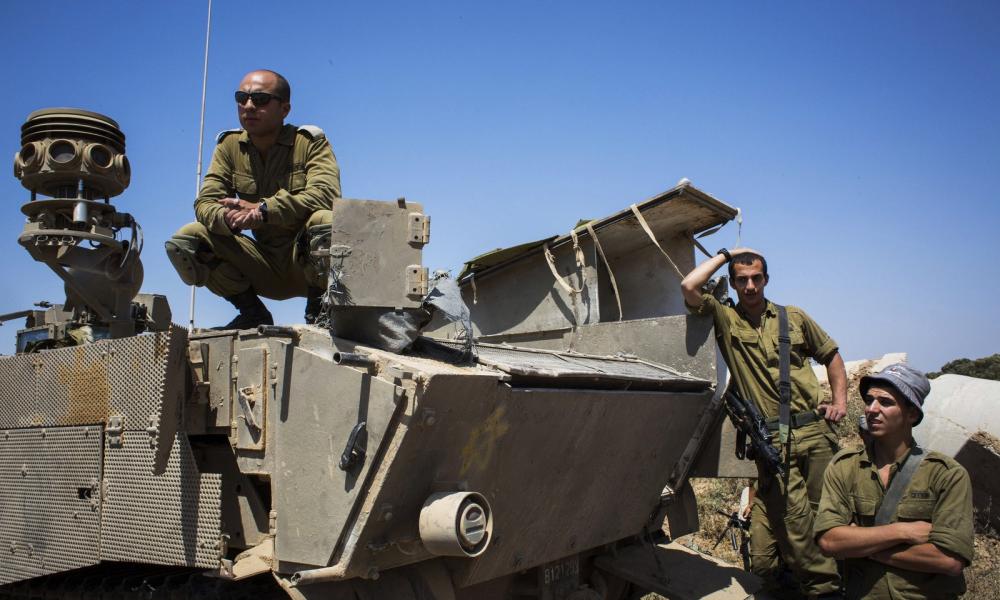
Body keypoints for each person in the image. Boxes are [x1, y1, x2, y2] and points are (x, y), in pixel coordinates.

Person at [681, 248, 847, 598]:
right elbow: (690, 286)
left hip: (815, 431)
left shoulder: (794, 317)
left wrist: (840, 402)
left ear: (766, 279)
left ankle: (839, 581)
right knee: (795, 522)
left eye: (756, 278)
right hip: (773, 440)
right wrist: (727, 254)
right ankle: (824, 590)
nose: (750, 286)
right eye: (742, 280)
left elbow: (831, 355)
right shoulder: (726, 317)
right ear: (733, 283)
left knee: (829, 516)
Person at [165, 69, 341, 329]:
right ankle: (252, 313)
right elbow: (205, 202)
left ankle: (319, 314)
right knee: (189, 238)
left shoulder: (309, 142)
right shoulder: (229, 146)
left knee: (326, 220)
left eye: (260, 99)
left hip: (306, 264)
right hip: (262, 265)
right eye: (241, 98)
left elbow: (326, 194)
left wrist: (264, 210)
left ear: (284, 109)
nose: (248, 106)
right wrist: (228, 218)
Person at [815, 364, 973, 599]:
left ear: (912, 414)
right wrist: (902, 531)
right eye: (870, 400)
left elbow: (948, 560)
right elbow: (829, 541)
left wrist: (861, 546)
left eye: (885, 402)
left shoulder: (945, 474)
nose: (872, 409)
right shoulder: (845, 466)